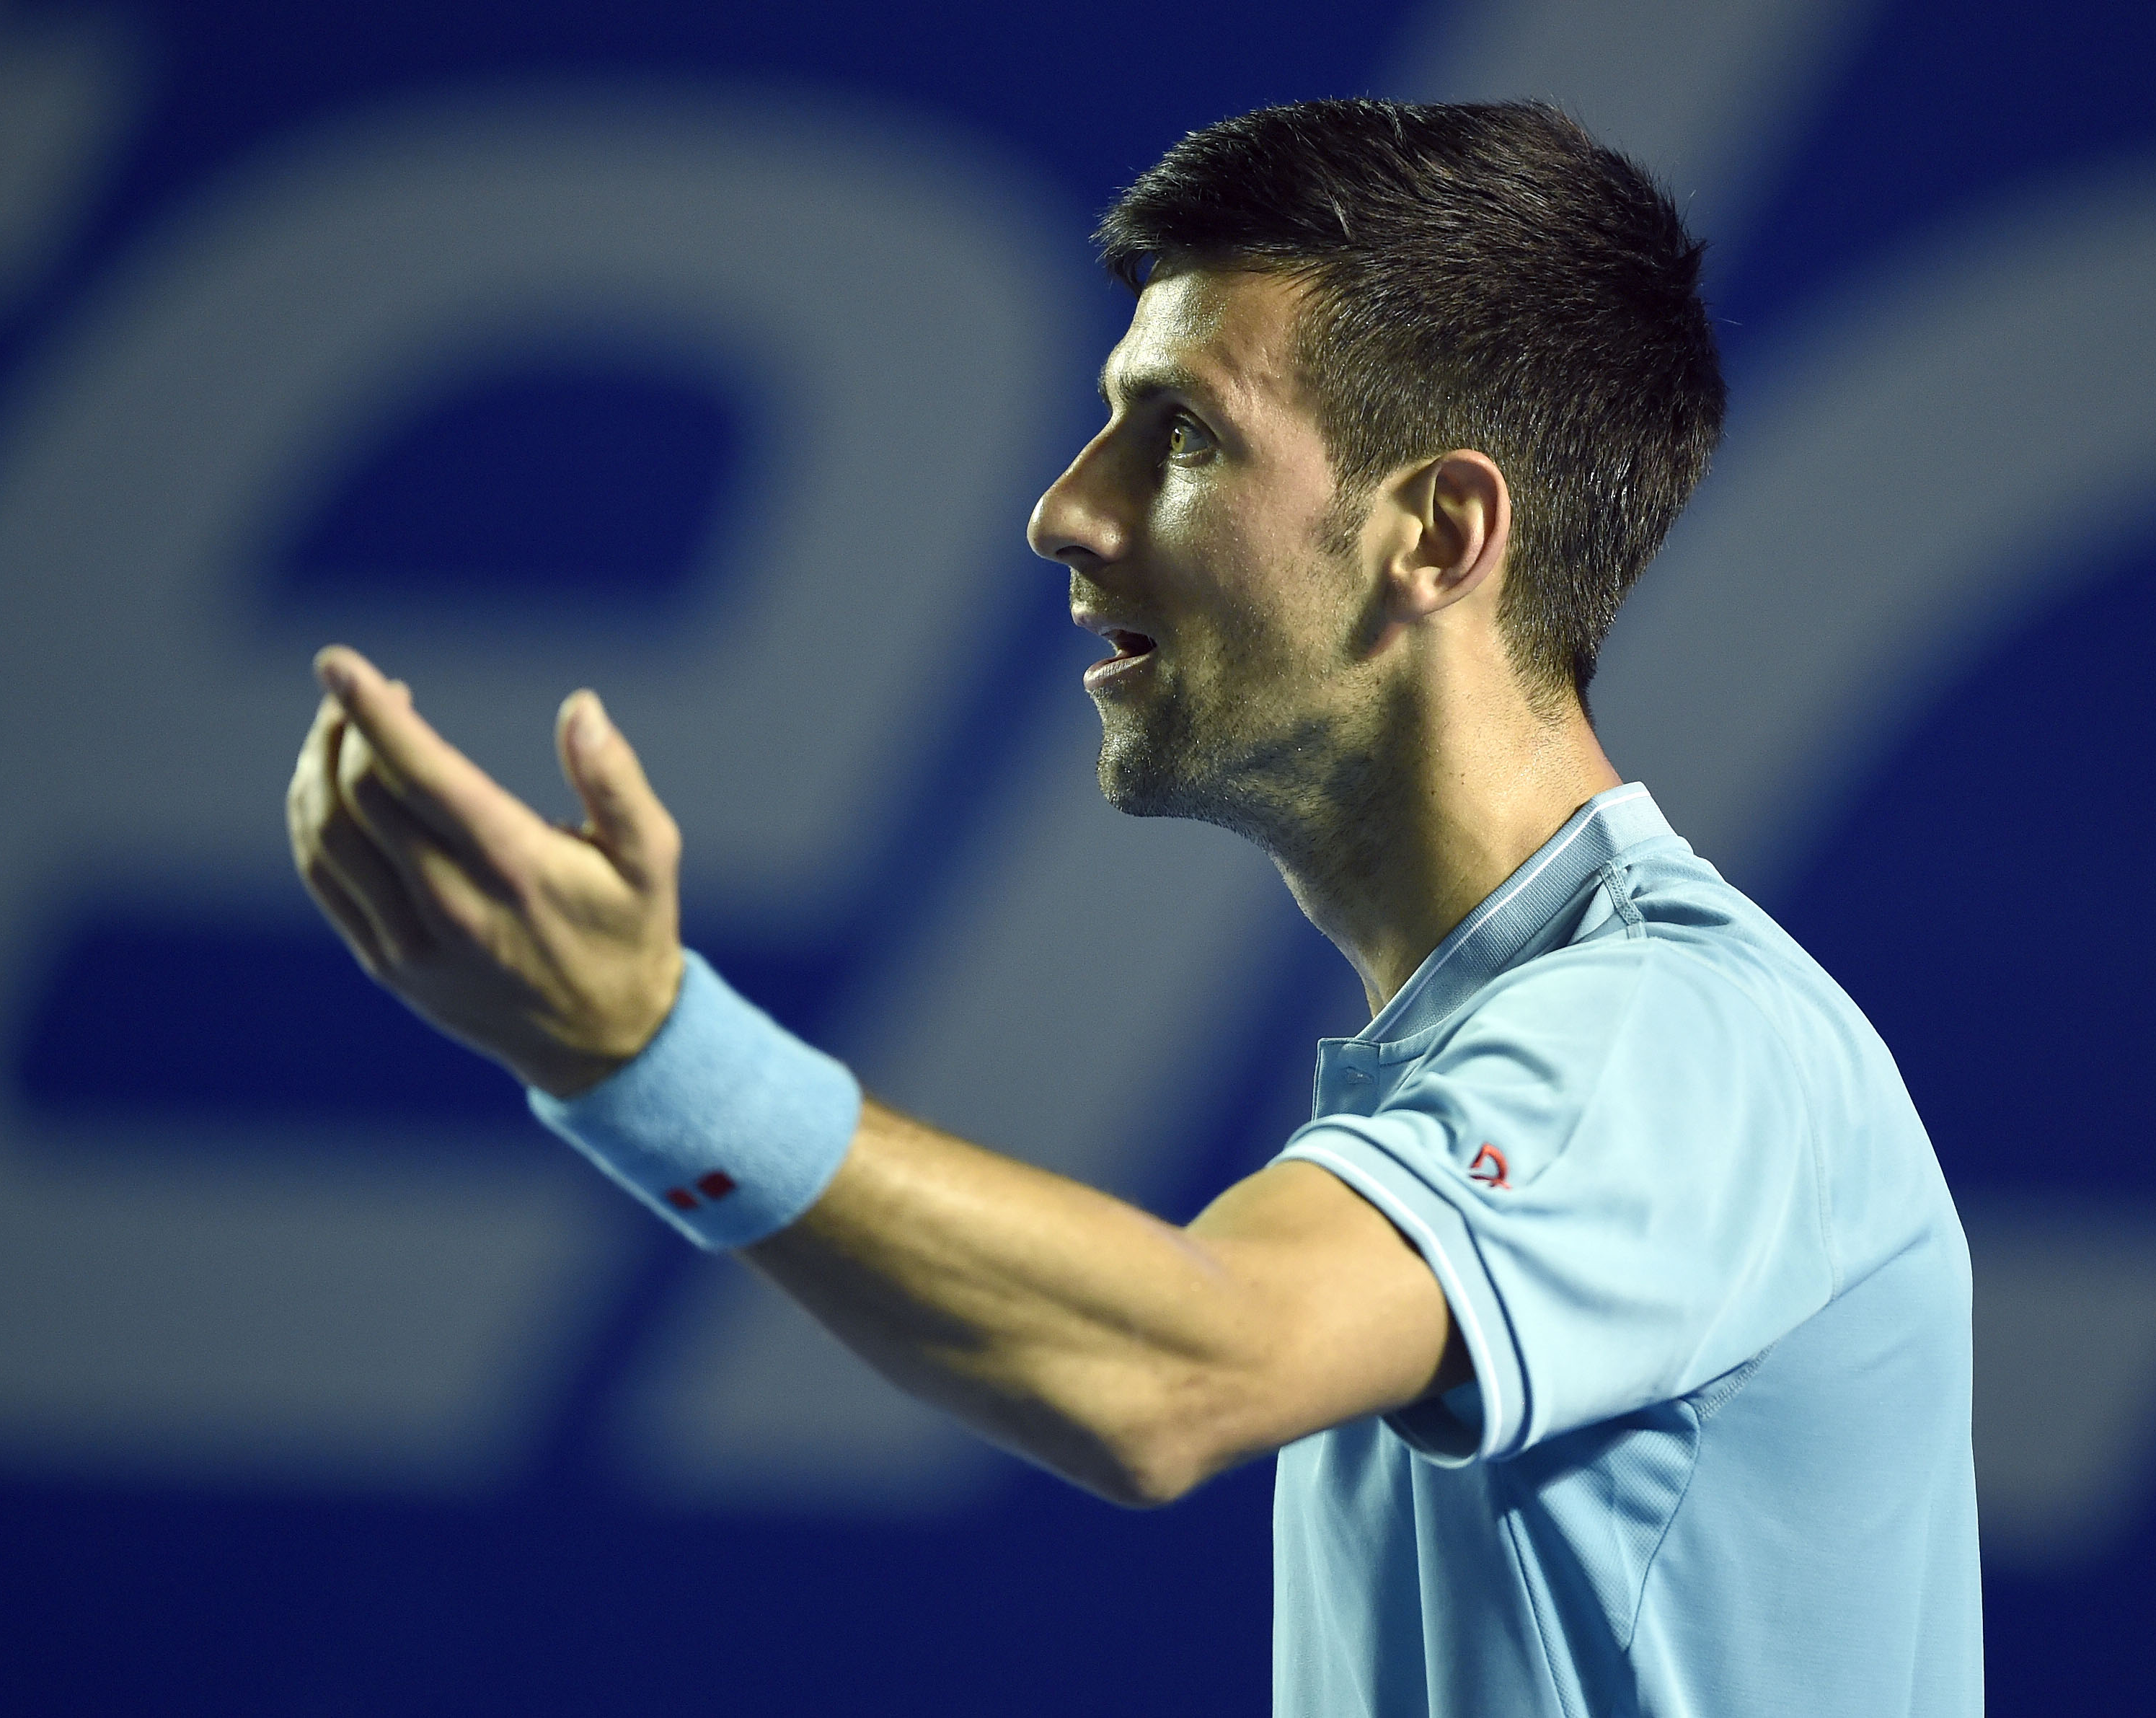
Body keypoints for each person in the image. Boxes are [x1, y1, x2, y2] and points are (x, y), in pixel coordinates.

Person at [286, 99, 1980, 1716]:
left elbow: (1184, 1369)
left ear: (1438, 532)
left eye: (1177, 435)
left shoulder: (1668, 1038)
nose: (1065, 511)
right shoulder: (1550, 1033)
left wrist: (647, 1060)